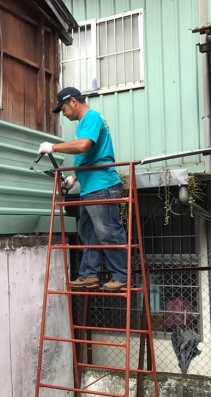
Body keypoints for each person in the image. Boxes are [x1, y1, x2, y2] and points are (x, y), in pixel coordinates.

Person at [39, 87, 127, 291]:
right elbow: (92, 156)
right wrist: (73, 177)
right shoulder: (85, 123)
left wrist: (53, 147)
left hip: (102, 185)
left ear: (73, 101)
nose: (64, 114)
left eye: (63, 109)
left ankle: (121, 275)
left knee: (108, 231)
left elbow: (84, 146)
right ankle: (89, 274)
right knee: (88, 231)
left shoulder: (91, 117)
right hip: (90, 187)